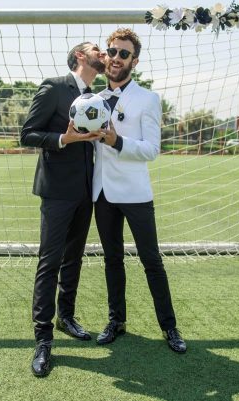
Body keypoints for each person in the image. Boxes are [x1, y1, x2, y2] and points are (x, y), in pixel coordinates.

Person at [93, 28, 187, 354]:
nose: (116, 58)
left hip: (135, 194)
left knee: (151, 261)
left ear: (134, 61)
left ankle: (169, 327)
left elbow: (151, 150)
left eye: (124, 53)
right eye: (112, 51)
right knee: (112, 260)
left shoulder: (148, 99)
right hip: (102, 194)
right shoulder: (92, 101)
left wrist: (117, 141)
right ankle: (116, 321)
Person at [20, 42, 105, 377]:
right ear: (80, 56)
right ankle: (43, 339)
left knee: (74, 259)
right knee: (50, 262)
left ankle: (66, 317)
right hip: (56, 192)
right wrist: (63, 139)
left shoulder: (95, 97)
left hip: (84, 191)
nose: (103, 53)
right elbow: (27, 134)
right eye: (97, 49)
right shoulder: (54, 87)